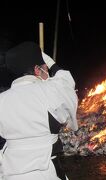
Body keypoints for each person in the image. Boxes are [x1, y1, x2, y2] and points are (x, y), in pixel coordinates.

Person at [0, 41, 78, 180]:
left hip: (9, 173)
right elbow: (66, 83)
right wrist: (52, 64)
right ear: (37, 70)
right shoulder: (50, 91)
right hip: (46, 173)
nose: (47, 72)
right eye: (45, 69)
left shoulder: (2, 99)